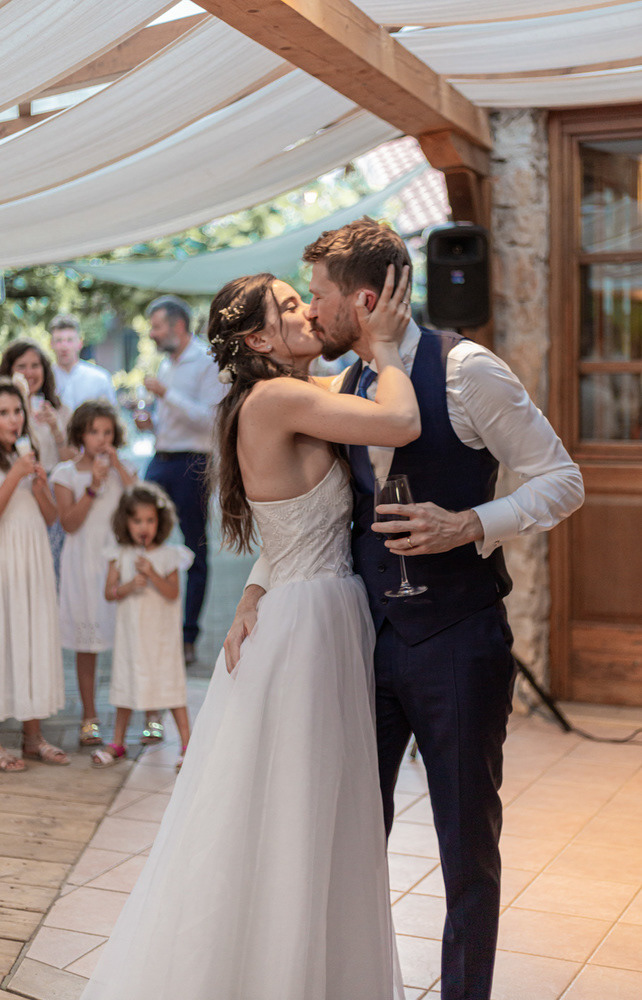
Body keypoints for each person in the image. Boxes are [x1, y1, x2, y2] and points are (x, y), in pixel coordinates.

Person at [226, 219, 585, 1000]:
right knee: (349, 833)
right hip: (365, 642)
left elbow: (563, 479)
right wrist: (256, 588)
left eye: (317, 296)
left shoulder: (468, 371)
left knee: (465, 844)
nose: (309, 311)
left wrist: (472, 524)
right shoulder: (347, 386)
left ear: (363, 300)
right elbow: (310, 518)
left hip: (458, 640)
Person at [79, 266, 417, 1000]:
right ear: (260, 339)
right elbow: (399, 422)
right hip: (309, 625)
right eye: (291, 307)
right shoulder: (277, 399)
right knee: (298, 813)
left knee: (315, 809)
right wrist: (388, 346)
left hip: (310, 607)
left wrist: (253, 590)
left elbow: (286, 528)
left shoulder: (289, 393)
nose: (308, 314)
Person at [0, 379, 68, 771]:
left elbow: (50, 518)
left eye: (18, 411)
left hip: (32, 558)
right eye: (4, 413)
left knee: (31, 638)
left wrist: (42, 486)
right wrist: (15, 475)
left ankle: (33, 737)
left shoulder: (26, 452)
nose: (14, 419)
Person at [134, 295, 224, 671]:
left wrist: (165, 394)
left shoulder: (206, 362)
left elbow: (211, 420)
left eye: (156, 327)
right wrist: (150, 423)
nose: (152, 334)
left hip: (193, 464)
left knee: (194, 548)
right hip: (160, 460)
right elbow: (170, 419)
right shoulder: (166, 364)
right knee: (139, 537)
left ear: (178, 326)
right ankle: (147, 626)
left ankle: (188, 637)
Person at [51, 402, 136, 749]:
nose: (101, 439)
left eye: (107, 432)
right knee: (87, 645)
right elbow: (69, 523)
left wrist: (117, 467)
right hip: (83, 564)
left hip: (118, 563)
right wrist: (92, 486)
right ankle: (89, 715)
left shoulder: (123, 469)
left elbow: (139, 503)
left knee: (130, 637)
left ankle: (143, 709)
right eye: (93, 432)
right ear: (79, 434)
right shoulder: (65, 474)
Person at [91, 483, 193, 770]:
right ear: (125, 522)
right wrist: (128, 586)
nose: (143, 527)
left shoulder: (169, 555)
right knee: (126, 685)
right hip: (132, 637)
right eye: (137, 520)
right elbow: (109, 593)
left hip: (161, 638)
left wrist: (152, 574)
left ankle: (187, 745)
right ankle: (118, 742)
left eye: (150, 520)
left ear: (160, 522)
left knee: (171, 687)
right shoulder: (120, 555)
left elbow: (172, 593)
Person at [0, 339, 74, 471]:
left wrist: (56, 429)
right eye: (21, 366)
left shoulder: (62, 411)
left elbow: (74, 463)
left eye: (35, 366)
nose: (29, 373)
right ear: (9, 372)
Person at [49, 314, 117, 411]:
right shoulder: (44, 378)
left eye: (70, 340)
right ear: (51, 344)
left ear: (80, 343)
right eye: (59, 340)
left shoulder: (100, 379)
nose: (64, 346)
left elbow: (111, 414)